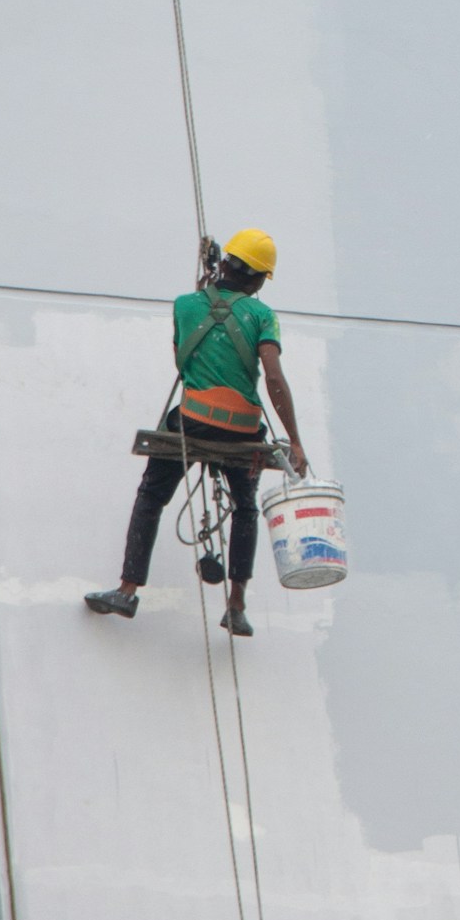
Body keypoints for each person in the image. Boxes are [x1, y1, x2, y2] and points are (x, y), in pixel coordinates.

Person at [85, 228, 307, 638]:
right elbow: (273, 377)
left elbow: (183, 363)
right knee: (244, 506)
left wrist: (204, 294)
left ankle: (128, 589)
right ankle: (237, 603)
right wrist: (294, 439)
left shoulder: (185, 305)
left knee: (152, 494)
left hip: (194, 419)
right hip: (242, 429)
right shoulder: (263, 315)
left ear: (224, 265)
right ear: (259, 281)